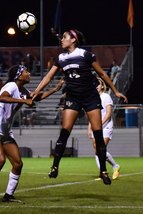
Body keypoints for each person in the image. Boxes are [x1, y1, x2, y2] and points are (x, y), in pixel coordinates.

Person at [31, 29, 127, 185]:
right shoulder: (61, 58)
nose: (62, 40)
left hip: (90, 97)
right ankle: (54, 167)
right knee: (64, 132)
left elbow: (102, 73)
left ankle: (103, 171)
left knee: (98, 134)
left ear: (74, 40)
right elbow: (48, 76)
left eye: (65, 37)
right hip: (73, 98)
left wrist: (115, 91)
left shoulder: (85, 55)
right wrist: (37, 90)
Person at [0, 64, 64, 203]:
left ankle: (8, 196)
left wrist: (56, 89)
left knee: (17, 163)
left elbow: (37, 97)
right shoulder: (11, 86)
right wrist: (24, 100)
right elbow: (3, 98)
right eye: (26, 71)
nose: (29, 73)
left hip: (4, 129)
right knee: (0, 160)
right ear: (18, 76)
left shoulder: (22, 89)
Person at [87, 77, 120, 180]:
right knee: (97, 151)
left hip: (105, 126)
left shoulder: (106, 97)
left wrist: (99, 125)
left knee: (101, 148)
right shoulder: (91, 98)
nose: (96, 85)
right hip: (96, 127)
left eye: (98, 84)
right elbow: (91, 115)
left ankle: (115, 166)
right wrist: (89, 128)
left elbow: (109, 114)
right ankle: (102, 172)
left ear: (102, 86)